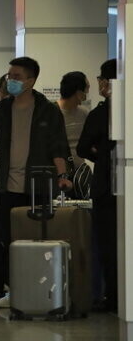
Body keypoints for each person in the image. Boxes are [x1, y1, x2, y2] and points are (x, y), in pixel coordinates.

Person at [0, 57, 72, 307]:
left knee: (34, 239)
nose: (10, 80)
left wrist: (62, 176)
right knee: (5, 239)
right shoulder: (1, 110)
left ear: (30, 80)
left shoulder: (48, 109)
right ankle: (10, 289)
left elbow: (58, 145)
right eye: (9, 75)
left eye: (16, 76)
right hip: (5, 187)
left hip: (36, 187)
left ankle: (34, 287)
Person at [78, 59, 117, 313]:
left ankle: (112, 297)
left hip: (105, 187)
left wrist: (101, 156)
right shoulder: (104, 112)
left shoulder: (100, 113)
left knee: (107, 245)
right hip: (110, 187)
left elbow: (83, 148)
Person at [56, 71, 90, 171]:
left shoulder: (84, 113)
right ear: (79, 93)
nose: (87, 93)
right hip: (58, 176)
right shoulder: (51, 113)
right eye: (87, 88)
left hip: (79, 176)